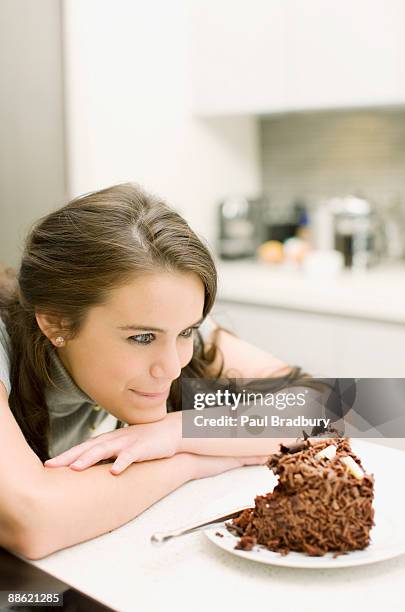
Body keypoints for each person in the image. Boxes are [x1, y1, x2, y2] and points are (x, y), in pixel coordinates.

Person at [0, 183, 306, 560]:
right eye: (142, 338)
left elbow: (345, 408)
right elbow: (30, 521)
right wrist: (191, 460)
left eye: (187, 332)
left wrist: (176, 432)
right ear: (55, 323)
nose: (172, 366)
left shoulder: (164, 317)